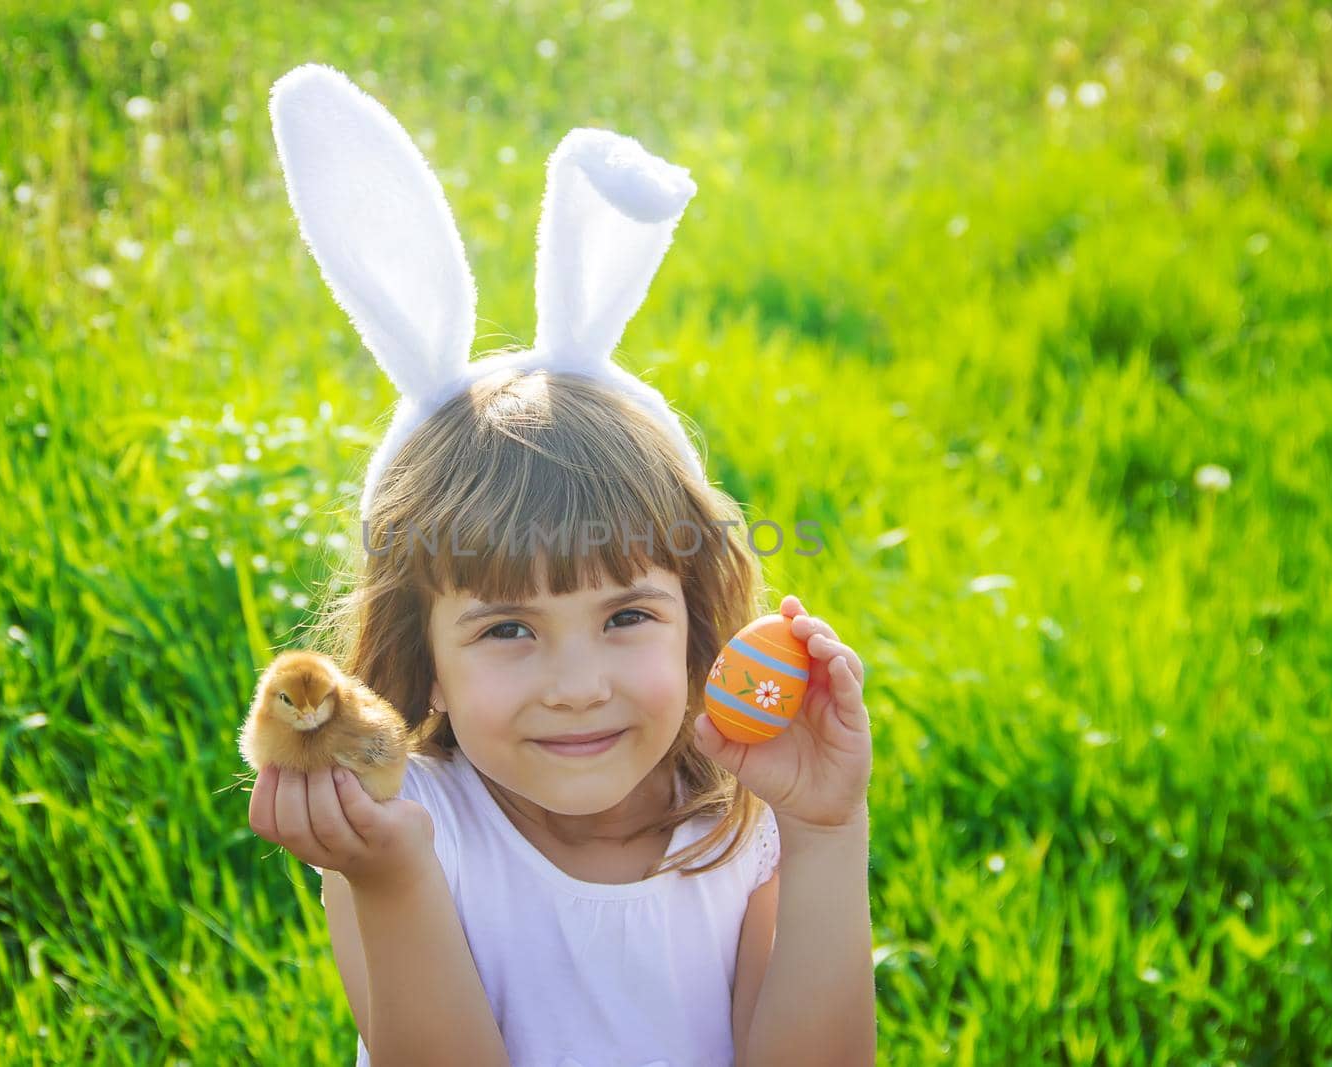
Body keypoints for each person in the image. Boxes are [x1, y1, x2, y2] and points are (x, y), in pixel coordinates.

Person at [247, 63, 875, 1067]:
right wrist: (393, 879)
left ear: (696, 620)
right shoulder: (405, 827)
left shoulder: (743, 825)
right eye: (507, 629)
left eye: (626, 616)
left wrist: (829, 829)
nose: (578, 686)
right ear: (425, 660)